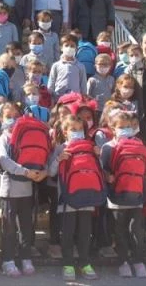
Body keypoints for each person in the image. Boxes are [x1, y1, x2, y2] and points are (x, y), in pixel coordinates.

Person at [47, 114, 100, 281]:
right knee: (67, 233)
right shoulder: (60, 148)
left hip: (87, 197)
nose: (77, 132)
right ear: (65, 131)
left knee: (85, 233)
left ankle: (85, 263)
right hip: (67, 199)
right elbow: (50, 172)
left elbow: (98, 171)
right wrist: (59, 159)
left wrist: (98, 156)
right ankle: (68, 264)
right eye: (73, 129)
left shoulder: (90, 147)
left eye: (80, 129)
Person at [0, 102, 45, 277]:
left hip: (27, 189)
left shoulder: (27, 136)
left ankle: (26, 258)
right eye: (8, 117)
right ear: (1, 120)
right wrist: (26, 172)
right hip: (9, 190)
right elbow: (4, 161)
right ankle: (7, 260)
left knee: (26, 227)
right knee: (9, 228)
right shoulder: (3, 138)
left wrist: (42, 172)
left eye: (16, 116)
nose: (12, 120)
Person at [100, 110, 146, 278]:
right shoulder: (108, 147)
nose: (125, 129)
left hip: (136, 193)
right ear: (112, 128)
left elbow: (145, 165)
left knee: (136, 229)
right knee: (119, 230)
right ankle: (123, 261)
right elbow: (103, 169)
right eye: (121, 126)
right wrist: (108, 176)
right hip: (117, 196)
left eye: (128, 126)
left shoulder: (139, 144)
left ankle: (138, 260)